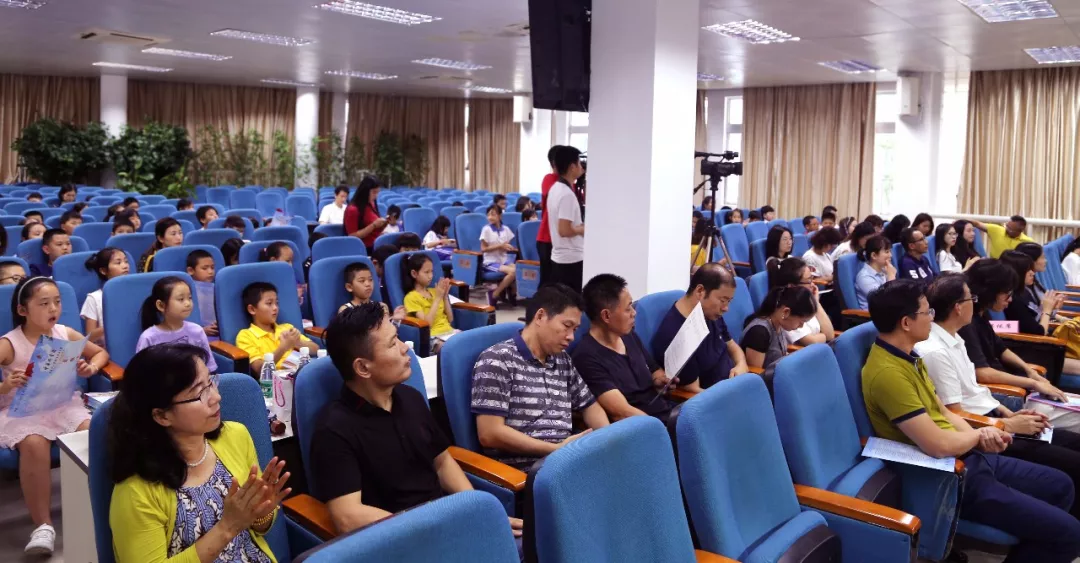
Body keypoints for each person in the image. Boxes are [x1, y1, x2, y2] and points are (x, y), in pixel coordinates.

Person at [862, 279, 1080, 562]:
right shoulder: (888, 374)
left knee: (1061, 486)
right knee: (1070, 534)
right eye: (927, 312)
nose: (932, 318)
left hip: (970, 455)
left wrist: (986, 436)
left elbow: (946, 413)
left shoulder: (909, 356)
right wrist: (979, 435)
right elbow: (938, 445)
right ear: (906, 323)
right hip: (949, 475)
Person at [306, 303, 523, 540]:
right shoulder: (334, 429)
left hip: (445, 524)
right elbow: (347, 516)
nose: (405, 348)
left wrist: (476, 511)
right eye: (392, 344)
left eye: (398, 338)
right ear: (362, 367)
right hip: (398, 540)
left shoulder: (411, 398)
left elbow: (442, 462)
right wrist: (428, 529)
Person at [109, 344, 290, 563]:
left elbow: (257, 529)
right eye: (199, 393)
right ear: (162, 416)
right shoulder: (136, 491)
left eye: (210, 383)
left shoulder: (235, 436)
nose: (216, 397)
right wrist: (227, 527)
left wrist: (260, 512)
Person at [918, 273, 1080, 518]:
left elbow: (976, 390)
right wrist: (1007, 425)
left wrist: (1010, 414)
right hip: (985, 432)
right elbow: (954, 414)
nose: (975, 303)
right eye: (971, 299)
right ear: (958, 307)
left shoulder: (955, 336)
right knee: (1071, 466)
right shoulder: (936, 351)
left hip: (997, 417)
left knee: (1072, 442)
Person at [1, 277, 109, 554]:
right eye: (44, 303)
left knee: (91, 432)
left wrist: (91, 368)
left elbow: (100, 353)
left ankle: (101, 509)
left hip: (63, 405)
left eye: (57, 302)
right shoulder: (10, 343)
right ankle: (43, 526)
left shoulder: (64, 333)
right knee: (33, 443)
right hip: (23, 411)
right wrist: (5, 385)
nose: (53, 309)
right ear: (23, 310)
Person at [471, 284, 610, 470]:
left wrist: (607, 441)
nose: (571, 337)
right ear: (540, 316)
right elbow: (490, 434)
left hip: (566, 459)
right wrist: (555, 450)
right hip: (529, 469)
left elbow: (590, 407)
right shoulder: (497, 360)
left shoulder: (562, 359)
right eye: (567, 326)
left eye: (575, 329)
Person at [961, 260, 1077, 428]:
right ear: (990, 292)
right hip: (1003, 394)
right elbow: (982, 373)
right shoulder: (967, 322)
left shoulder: (981, 313)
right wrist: (1033, 383)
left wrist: (1029, 371)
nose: (1010, 299)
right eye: (1007, 294)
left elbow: (1001, 349)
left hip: (1014, 387)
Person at [573, 274, 675, 422]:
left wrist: (659, 381)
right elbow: (621, 412)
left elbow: (654, 370)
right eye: (628, 309)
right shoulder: (586, 358)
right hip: (643, 426)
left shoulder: (628, 335)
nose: (634, 313)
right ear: (606, 316)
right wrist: (660, 429)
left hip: (665, 412)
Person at [652, 263, 749, 390]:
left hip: (734, 385)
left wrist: (741, 363)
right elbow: (695, 392)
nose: (726, 308)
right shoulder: (676, 335)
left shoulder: (710, 313)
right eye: (723, 300)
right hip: (717, 396)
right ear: (700, 291)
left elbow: (731, 345)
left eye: (728, 301)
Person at [136, 276, 217, 372]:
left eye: (189, 298)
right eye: (181, 299)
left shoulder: (197, 331)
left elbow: (209, 367)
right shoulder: (148, 337)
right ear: (161, 305)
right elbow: (141, 373)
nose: (188, 303)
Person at [236, 282, 319, 375]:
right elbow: (259, 369)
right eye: (269, 303)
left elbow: (316, 349)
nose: (275, 308)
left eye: (277, 303)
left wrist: (297, 342)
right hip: (275, 379)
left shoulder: (287, 328)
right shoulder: (245, 336)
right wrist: (283, 347)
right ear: (252, 309)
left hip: (301, 372)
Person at [741, 285, 816, 379]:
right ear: (786, 312)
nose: (801, 326)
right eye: (801, 322)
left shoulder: (779, 325)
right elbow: (754, 374)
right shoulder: (759, 332)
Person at [768, 257, 835, 346]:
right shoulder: (787, 312)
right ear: (792, 286)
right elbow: (813, 342)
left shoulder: (805, 302)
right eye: (809, 281)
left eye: (812, 279)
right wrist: (823, 336)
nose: (813, 284)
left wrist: (816, 302)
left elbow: (830, 335)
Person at [999, 250, 1064, 339]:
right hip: (1031, 343)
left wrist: (1050, 307)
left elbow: (1032, 318)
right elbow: (1039, 333)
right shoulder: (1014, 300)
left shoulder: (1022, 292)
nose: (1032, 273)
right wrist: (1047, 310)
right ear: (1016, 272)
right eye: (1027, 270)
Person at [547, 146, 586, 292]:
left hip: (561, 257)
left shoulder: (555, 188)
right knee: (572, 300)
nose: (581, 167)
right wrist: (582, 229)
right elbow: (564, 230)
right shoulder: (566, 195)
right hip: (571, 259)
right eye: (579, 163)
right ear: (572, 167)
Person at [402, 254, 457, 353]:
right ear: (414, 274)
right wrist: (438, 298)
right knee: (452, 350)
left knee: (470, 342)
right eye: (426, 272)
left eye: (432, 271)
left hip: (449, 332)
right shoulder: (411, 297)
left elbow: (450, 319)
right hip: (433, 337)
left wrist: (444, 297)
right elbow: (427, 325)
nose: (431, 276)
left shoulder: (435, 291)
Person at [81, 247, 129, 346]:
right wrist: (111, 326)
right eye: (118, 263)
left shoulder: (134, 293)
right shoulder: (94, 298)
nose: (125, 266)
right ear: (103, 270)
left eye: (126, 261)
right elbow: (89, 337)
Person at [337, 262, 406, 323]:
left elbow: (388, 330)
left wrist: (395, 320)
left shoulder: (382, 306)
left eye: (370, 280)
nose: (368, 284)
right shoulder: (346, 310)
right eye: (362, 281)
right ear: (349, 287)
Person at [536, 145, 564, 291]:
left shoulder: (569, 183)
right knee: (548, 282)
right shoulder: (550, 179)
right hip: (547, 238)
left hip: (562, 239)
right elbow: (556, 196)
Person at [480, 205, 517, 307]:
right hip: (490, 262)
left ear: (500, 216)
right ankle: (494, 294)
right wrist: (500, 246)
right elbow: (483, 249)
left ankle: (511, 292)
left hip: (503, 260)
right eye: (488, 215)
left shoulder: (506, 229)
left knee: (519, 270)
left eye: (493, 214)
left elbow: (506, 245)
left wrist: (509, 248)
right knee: (512, 272)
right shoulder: (486, 229)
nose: (490, 217)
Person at [345, 176, 388, 254]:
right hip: (364, 248)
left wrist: (384, 224)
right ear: (365, 192)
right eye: (374, 192)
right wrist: (373, 225)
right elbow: (352, 236)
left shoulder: (371, 204)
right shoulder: (353, 209)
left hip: (376, 243)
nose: (376, 196)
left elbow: (375, 230)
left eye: (377, 192)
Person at [854, 235, 896, 309]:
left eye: (890, 251)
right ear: (874, 255)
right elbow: (882, 300)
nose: (891, 255)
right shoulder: (864, 277)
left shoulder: (885, 270)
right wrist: (891, 277)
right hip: (876, 314)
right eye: (887, 252)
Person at [186, 249, 219, 339]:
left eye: (212, 267)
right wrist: (201, 330)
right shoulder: (186, 291)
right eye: (204, 268)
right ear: (190, 270)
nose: (210, 272)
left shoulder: (217, 287)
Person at [969, 216, 1035, 258]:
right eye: (1007, 226)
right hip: (995, 266)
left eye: (1010, 229)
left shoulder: (1028, 242)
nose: (1007, 229)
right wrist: (964, 220)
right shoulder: (997, 230)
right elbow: (977, 224)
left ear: (1020, 231)